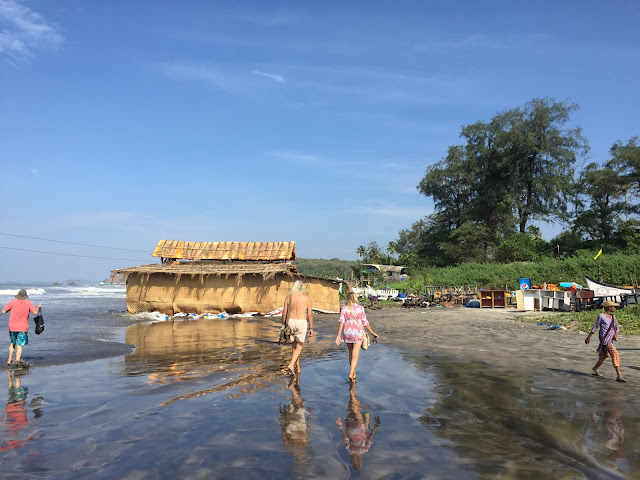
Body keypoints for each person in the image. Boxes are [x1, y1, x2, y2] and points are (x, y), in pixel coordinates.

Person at [336, 382, 381, 471]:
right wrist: (340, 427)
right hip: (350, 428)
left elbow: (370, 439)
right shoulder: (350, 451)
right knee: (353, 409)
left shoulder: (364, 450)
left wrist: (375, 428)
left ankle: (352, 392)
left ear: (361, 461)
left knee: (356, 409)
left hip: (360, 427)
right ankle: (352, 387)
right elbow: (345, 439)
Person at [335, 291, 378, 382]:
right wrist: (372, 332)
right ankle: (351, 373)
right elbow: (364, 322)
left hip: (347, 332)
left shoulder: (344, 309)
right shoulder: (360, 308)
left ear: (347, 298)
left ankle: (353, 373)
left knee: (351, 353)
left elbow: (341, 322)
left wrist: (338, 336)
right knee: (355, 354)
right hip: (357, 332)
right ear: (355, 298)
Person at [585, 300, 626, 382]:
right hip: (605, 340)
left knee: (604, 356)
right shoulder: (601, 316)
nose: (615, 308)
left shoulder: (613, 317)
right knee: (615, 355)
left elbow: (617, 328)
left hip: (611, 340)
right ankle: (619, 375)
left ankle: (595, 368)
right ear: (609, 307)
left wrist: (616, 335)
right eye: (614, 307)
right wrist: (588, 337)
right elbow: (595, 327)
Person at [2, 289, 41, 367]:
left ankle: (9, 359)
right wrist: (38, 307)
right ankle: (17, 361)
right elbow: (35, 313)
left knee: (12, 343)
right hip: (22, 327)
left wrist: (10, 310)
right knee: (19, 345)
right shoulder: (29, 303)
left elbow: (3, 311)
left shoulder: (12, 302)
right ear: (25, 296)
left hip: (12, 327)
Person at [282, 280, 313, 376]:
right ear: (303, 288)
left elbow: (284, 313)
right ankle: (291, 365)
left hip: (291, 321)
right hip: (301, 322)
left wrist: (283, 325)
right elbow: (310, 314)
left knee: (294, 346)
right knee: (300, 345)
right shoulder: (306, 298)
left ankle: (298, 368)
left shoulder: (289, 297)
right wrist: (311, 328)